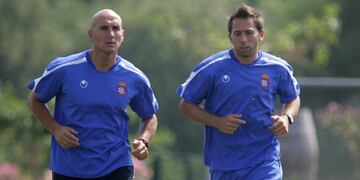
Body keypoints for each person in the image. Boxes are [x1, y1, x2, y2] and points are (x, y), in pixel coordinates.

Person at [27, 9, 158, 180]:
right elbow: (34, 100)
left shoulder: (135, 77)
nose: (110, 34)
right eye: (104, 28)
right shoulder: (64, 69)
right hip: (70, 166)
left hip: (116, 165)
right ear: (91, 35)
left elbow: (150, 117)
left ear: (122, 35)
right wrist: (56, 128)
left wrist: (144, 140)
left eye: (116, 28)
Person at [177, 4, 301, 180]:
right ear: (230, 37)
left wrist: (286, 118)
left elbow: (293, 98)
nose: (244, 39)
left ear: (261, 34)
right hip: (224, 164)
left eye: (249, 33)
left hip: (264, 162)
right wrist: (218, 122)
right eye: (238, 33)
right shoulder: (211, 68)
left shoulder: (278, 68)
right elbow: (185, 105)